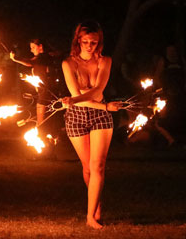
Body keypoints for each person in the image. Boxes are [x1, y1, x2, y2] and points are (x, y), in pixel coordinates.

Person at [61, 21, 122, 229]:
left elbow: (97, 91)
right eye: (85, 41)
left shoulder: (105, 61)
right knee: (87, 167)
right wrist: (77, 101)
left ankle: (90, 217)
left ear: (99, 42)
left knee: (98, 166)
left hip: (100, 116)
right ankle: (96, 206)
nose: (89, 46)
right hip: (77, 116)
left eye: (94, 42)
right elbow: (76, 95)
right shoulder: (68, 63)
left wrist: (75, 100)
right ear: (78, 40)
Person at [10, 38, 60, 132]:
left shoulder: (42, 58)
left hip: (45, 93)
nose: (31, 50)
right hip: (48, 92)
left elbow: (30, 62)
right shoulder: (47, 57)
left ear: (40, 46)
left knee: (42, 123)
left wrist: (16, 58)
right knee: (49, 121)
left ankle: (43, 138)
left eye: (33, 47)